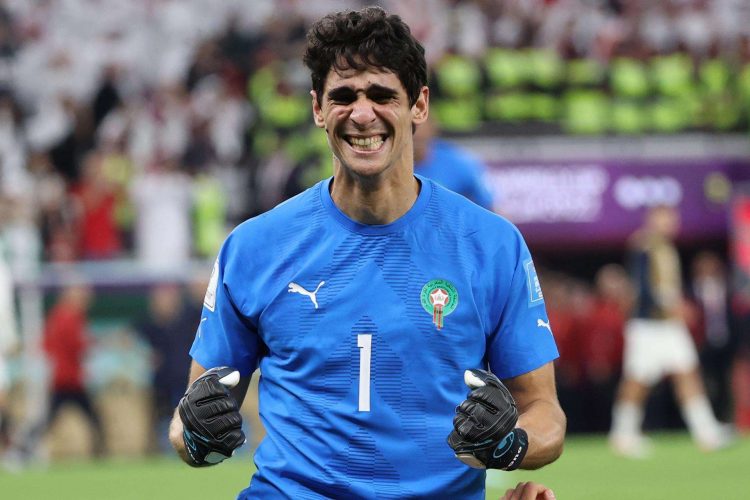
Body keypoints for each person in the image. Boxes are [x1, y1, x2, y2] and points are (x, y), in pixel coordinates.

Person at [169, 7, 565, 498]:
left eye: (382, 95)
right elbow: (190, 421)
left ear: (418, 105)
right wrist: (196, 433)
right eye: (343, 96)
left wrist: (511, 445)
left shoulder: (491, 245)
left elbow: (544, 412)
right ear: (317, 108)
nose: (362, 114)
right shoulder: (254, 247)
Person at [609, 206, 733, 458]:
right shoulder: (647, 246)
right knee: (637, 380)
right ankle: (622, 433)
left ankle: (706, 432)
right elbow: (650, 288)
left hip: (667, 326)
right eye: (666, 219)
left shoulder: (660, 246)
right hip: (648, 324)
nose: (671, 224)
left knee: (687, 373)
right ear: (654, 220)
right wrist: (676, 306)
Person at [413, 115, 495, 210]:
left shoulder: (459, 162)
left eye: (418, 127)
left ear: (432, 128)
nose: (414, 134)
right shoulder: (393, 167)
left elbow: (488, 205)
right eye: (409, 127)